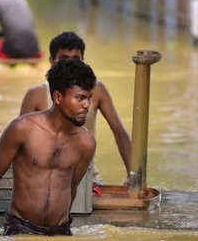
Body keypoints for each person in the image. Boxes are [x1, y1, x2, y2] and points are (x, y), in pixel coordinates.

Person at [0, 59, 97, 236]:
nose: (87, 105)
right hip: (21, 228)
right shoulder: (22, 128)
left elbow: (71, 187)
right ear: (58, 97)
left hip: (60, 230)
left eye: (89, 98)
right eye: (80, 98)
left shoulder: (86, 143)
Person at [20, 32, 132, 182]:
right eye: (64, 59)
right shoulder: (36, 94)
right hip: (46, 179)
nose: (70, 64)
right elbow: (20, 143)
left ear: (83, 61)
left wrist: (134, 176)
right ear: (52, 61)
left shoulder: (97, 89)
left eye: (75, 59)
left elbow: (119, 131)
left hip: (88, 179)